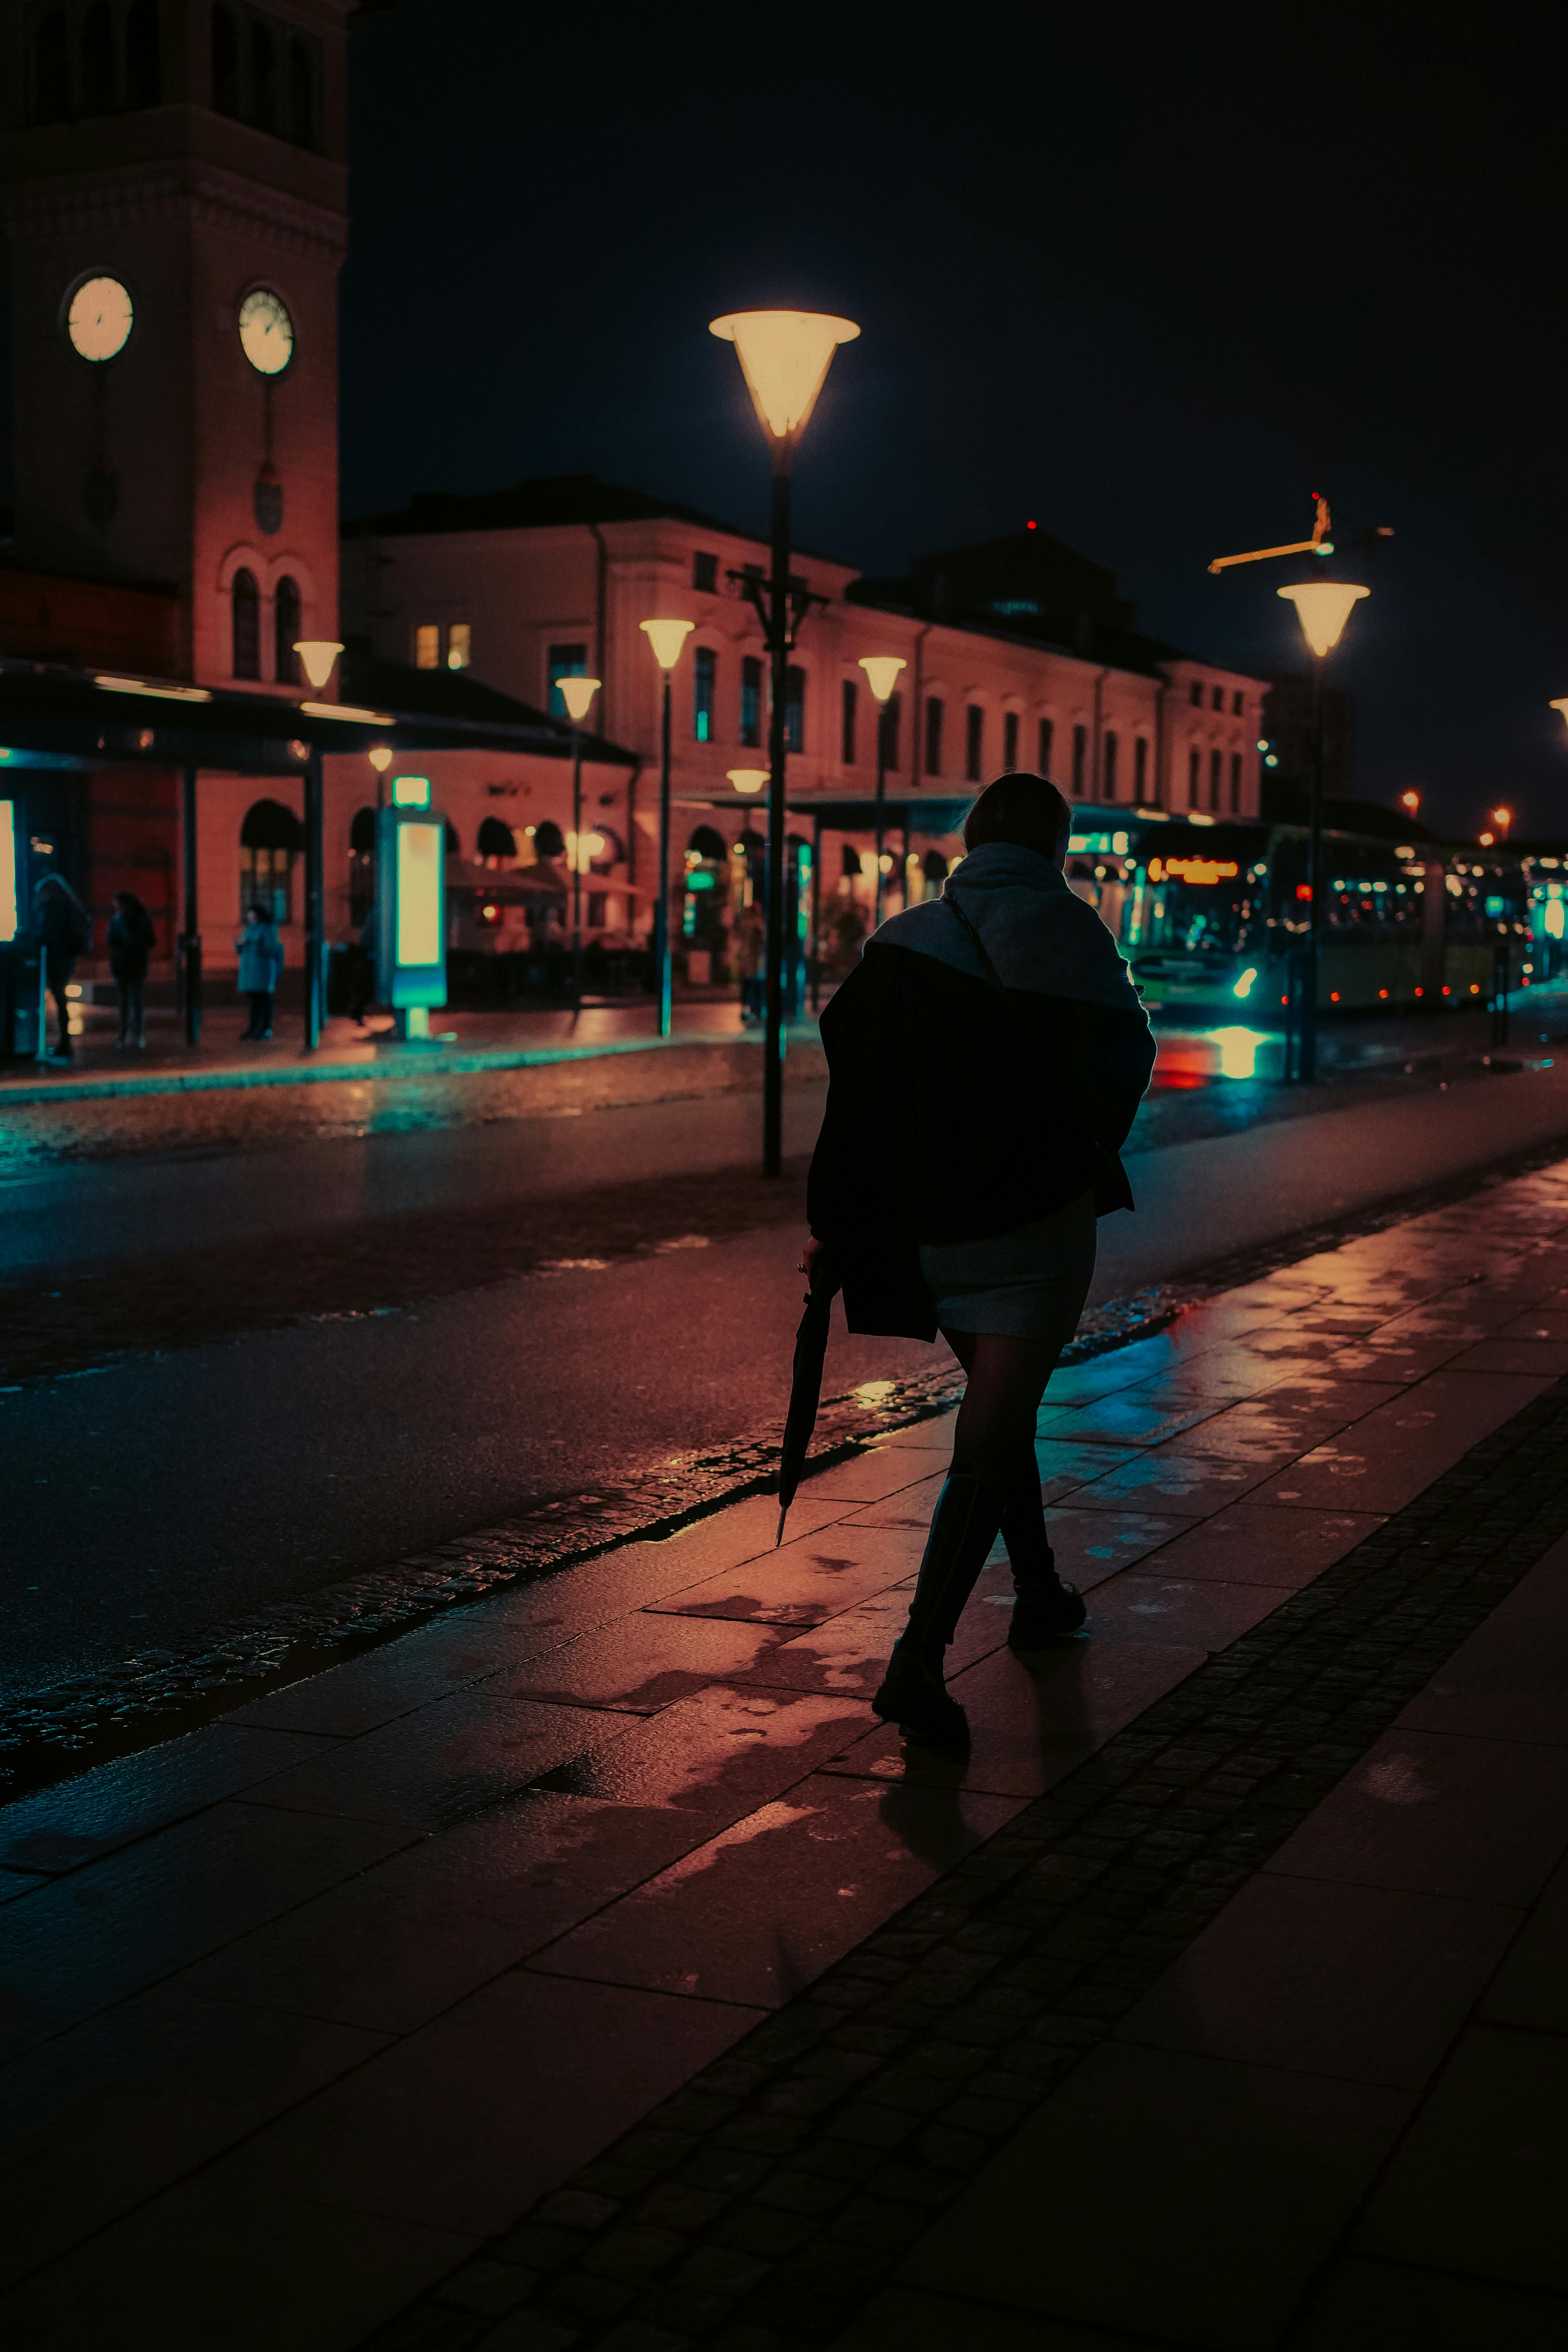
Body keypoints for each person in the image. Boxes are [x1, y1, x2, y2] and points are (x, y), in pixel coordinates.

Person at [804, 772, 1156, 1747]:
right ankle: (918, 1655)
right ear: (1055, 844)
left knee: (1002, 1416)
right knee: (993, 1429)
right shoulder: (1078, 936)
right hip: (1035, 1234)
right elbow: (1129, 1060)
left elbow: (856, 1093)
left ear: (970, 841)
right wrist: (1077, 1146)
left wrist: (838, 1220)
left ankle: (1038, 1592)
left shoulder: (906, 940)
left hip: (929, 1231)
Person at [32, 873, 92, 1063]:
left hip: (57, 959)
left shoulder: (54, 908)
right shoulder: (68, 906)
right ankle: (65, 1042)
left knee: (59, 999)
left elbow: (49, 934)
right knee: (60, 999)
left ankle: (65, 1043)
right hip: (66, 959)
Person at [107, 889, 156, 1049]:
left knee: (131, 1001)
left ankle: (132, 1034)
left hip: (131, 964)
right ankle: (132, 1034)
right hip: (128, 965)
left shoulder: (133, 920)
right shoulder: (122, 920)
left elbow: (149, 941)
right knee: (131, 1000)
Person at [236, 902, 284, 1039]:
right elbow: (240, 949)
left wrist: (252, 945)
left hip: (262, 971)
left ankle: (265, 1029)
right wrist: (239, 944)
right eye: (249, 915)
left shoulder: (267, 929)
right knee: (254, 1002)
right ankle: (253, 1029)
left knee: (264, 1001)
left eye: (253, 914)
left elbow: (272, 949)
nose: (250, 917)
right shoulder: (248, 929)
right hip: (250, 971)